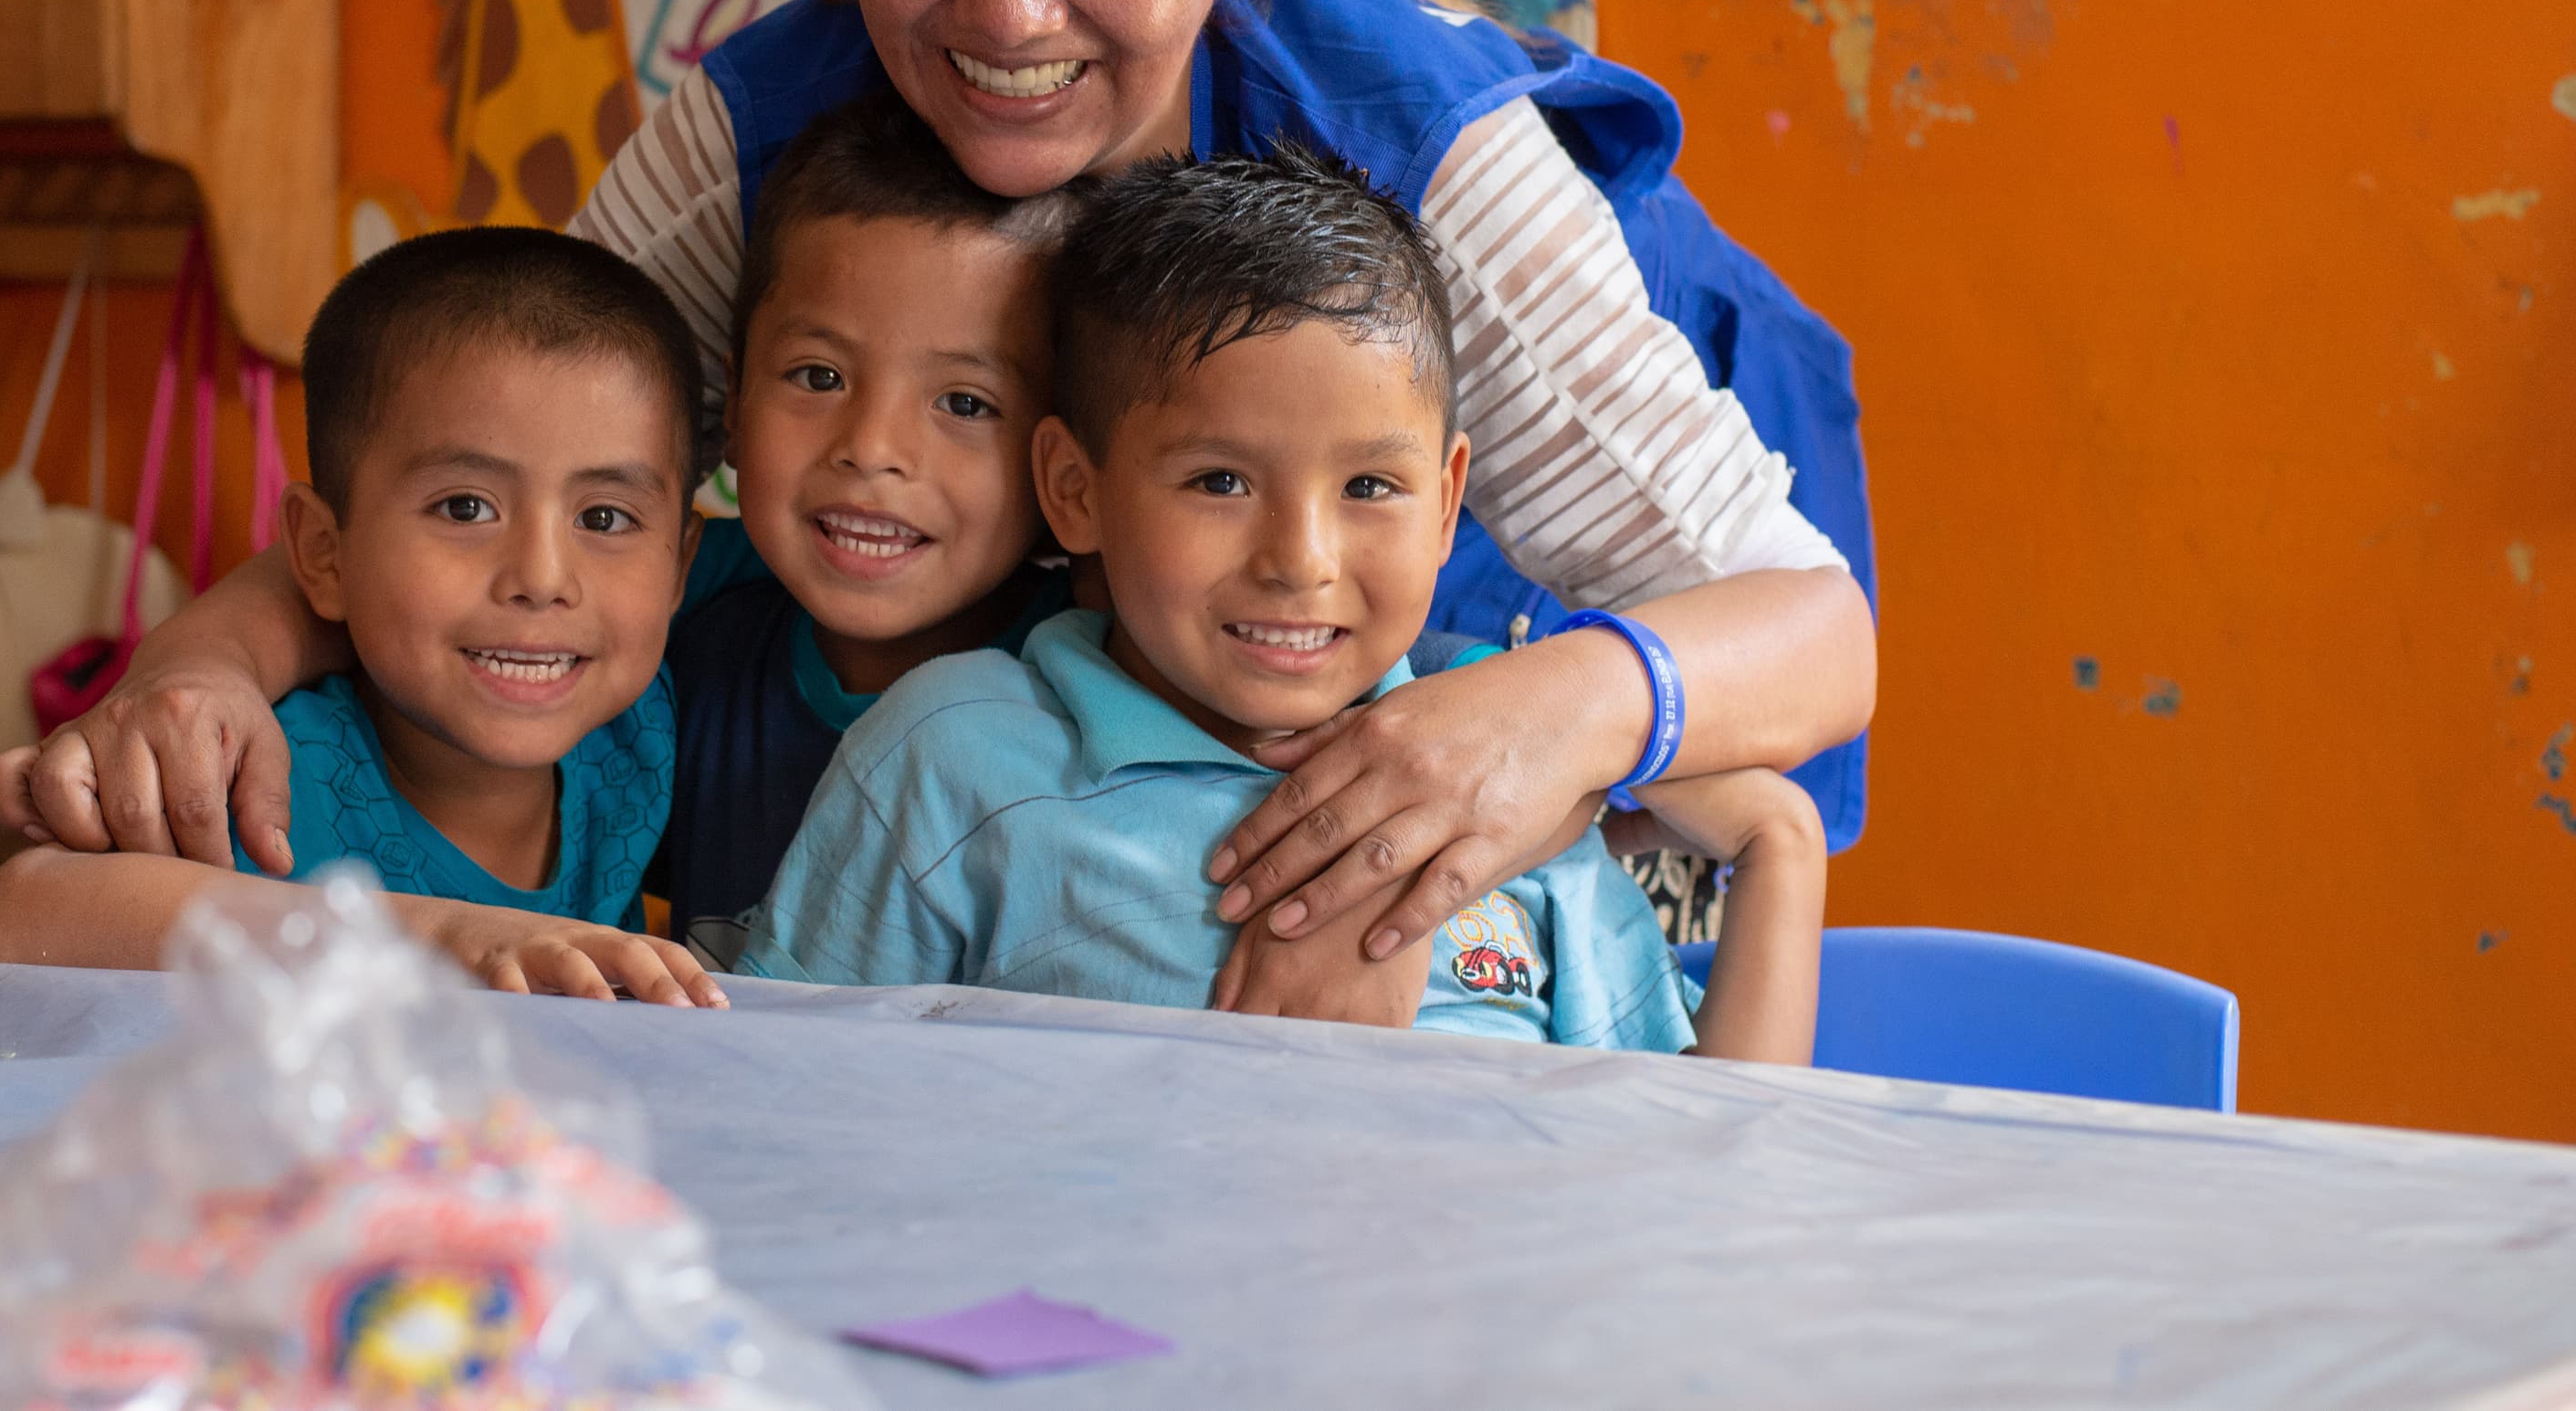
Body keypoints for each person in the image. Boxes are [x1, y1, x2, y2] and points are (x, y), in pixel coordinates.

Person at [0, 0, 1876, 1018]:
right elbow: (489, 456)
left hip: (1511, 780)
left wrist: (1489, 766)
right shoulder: (770, 131)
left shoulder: (1410, 144)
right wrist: (206, 668)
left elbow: (1810, 632)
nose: (1007, 8)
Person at [733, 149, 1823, 1058]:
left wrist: (1779, 842)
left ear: (1447, 503)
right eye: (1219, 481)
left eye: (1369, 488)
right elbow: (795, 1115)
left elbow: (1711, 1175)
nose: (1301, 560)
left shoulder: (1506, 777)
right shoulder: (953, 760)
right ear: (1076, 489)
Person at [0, 231, 723, 1008]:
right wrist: (443, 938)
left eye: (605, 516)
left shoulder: (639, 734)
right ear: (324, 553)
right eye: (466, 506)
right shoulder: (263, 777)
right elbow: (22, 913)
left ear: (679, 566)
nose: (541, 578)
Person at [653, 90, 1078, 931]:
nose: (872, 447)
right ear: (733, 403)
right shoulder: (670, 606)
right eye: (819, 377)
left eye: (964, 401)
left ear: (1065, 468)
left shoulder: (1106, 677)